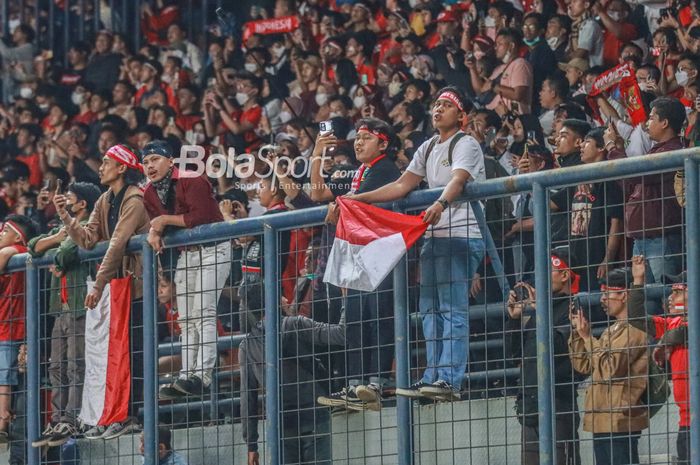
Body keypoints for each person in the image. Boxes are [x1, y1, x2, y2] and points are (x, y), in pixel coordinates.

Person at [348, 87, 486, 401]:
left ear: (461, 115)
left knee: (451, 310)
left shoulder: (466, 143)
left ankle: (449, 380)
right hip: (435, 237)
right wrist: (360, 198)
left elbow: (459, 179)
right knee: (429, 311)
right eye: (435, 104)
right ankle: (431, 377)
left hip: (462, 236)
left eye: (446, 105)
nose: (437, 109)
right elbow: (401, 185)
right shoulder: (427, 146)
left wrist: (439, 203)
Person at [54, 144, 149, 440]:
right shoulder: (105, 200)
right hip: (118, 289)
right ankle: (117, 413)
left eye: (107, 162)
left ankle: (134, 414)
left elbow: (117, 242)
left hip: (137, 288)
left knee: (133, 353)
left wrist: (97, 284)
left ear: (122, 168)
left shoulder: (134, 199)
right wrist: (67, 218)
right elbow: (87, 239)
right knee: (116, 354)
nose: (101, 166)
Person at [315, 118, 401, 412]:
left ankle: (375, 383)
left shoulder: (386, 168)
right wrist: (317, 153)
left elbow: (353, 205)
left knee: (378, 317)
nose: (358, 142)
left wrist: (337, 209)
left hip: (380, 255)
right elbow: (317, 194)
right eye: (357, 137)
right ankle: (355, 385)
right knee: (355, 320)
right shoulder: (358, 172)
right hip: (360, 257)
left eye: (366, 137)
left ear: (383, 144)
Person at [141, 140, 230, 399]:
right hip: (187, 253)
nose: (150, 166)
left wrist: (163, 221)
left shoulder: (193, 179)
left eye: (155, 159)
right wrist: (155, 230)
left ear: (170, 161)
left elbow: (200, 218)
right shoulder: (148, 192)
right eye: (146, 162)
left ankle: (202, 375)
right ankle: (185, 375)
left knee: (204, 311)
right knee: (186, 319)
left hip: (214, 248)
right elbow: (159, 225)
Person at [29, 182, 101, 447]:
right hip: (60, 308)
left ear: (82, 204)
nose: (63, 202)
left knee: (75, 364)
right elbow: (33, 246)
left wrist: (57, 252)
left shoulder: (88, 226)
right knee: (56, 366)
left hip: (80, 305)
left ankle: (72, 417)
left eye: (69, 198)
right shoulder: (63, 229)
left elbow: (68, 252)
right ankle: (57, 418)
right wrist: (57, 242)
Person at [240, 283, 345, 465]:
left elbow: (247, 399)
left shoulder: (247, 346)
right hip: (315, 413)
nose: (286, 300)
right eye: (281, 296)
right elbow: (341, 335)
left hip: (281, 423)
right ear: (272, 301)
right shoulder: (295, 323)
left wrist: (251, 445)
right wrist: (345, 299)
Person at [506, 246, 582, 465]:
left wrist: (539, 311)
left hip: (558, 403)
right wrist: (513, 319)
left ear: (565, 274)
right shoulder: (541, 309)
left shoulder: (575, 305)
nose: (539, 277)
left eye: (546, 270)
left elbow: (559, 346)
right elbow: (514, 354)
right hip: (530, 403)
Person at [569, 267, 649, 465]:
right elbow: (584, 365)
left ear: (624, 295)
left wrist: (588, 338)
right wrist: (578, 334)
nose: (602, 299)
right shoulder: (610, 331)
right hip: (602, 419)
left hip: (619, 421)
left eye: (607, 293)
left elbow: (610, 369)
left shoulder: (634, 330)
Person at [606, 97, 685, 283]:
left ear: (664, 123)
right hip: (643, 239)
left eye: (651, 118)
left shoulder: (672, 152)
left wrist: (611, 147)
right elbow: (629, 184)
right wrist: (618, 148)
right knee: (644, 298)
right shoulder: (657, 150)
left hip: (662, 239)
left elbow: (637, 177)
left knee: (666, 295)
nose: (647, 123)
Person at [628, 256, 690, 464]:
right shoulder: (673, 322)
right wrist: (638, 282)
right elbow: (636, 318)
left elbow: (689, 331)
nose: (670, 298)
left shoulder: (680, 326)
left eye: (678, 292)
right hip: (686, 423)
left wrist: (666, 340)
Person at [0, 214, 38, 444]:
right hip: (6, 327)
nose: (0, 234)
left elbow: (4, 253)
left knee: (4, 376)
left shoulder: (15, 250)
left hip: (12, 328)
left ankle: (2, 423)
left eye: (5, 230)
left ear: (17, 236)